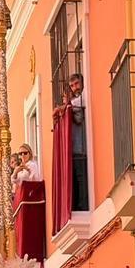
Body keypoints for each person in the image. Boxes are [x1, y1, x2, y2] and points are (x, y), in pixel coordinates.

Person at [59, 73, 89, 211]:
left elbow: (78, 107)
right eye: (72, 86)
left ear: (82, 82)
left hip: (82, 147)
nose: (75, 87)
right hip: (75, 148)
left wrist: (66, 105)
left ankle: (83, 205)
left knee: (81, 178)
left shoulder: (84, 96)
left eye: (76, 84)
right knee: (76, 178)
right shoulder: (74, 101)